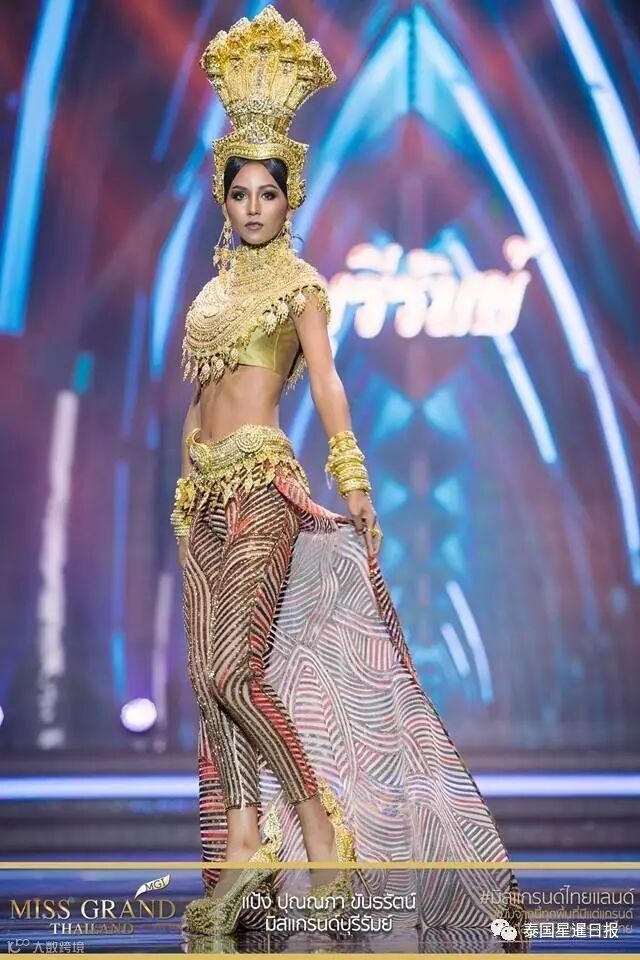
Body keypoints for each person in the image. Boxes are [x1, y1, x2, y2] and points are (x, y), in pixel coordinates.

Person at [171, 5, 527, 952]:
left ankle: (316, 828)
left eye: (268, 193)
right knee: (207, 687)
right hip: (199, 497)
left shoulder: (301, 288)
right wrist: (181, 483)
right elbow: (200, 396)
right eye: (240, 193)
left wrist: (354, 475)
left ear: (290, 199)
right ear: (224, 197)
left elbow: (326, 383)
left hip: (263, 485)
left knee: (235, 671)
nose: (253, 207)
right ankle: (241, 844)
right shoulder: (208, 297)